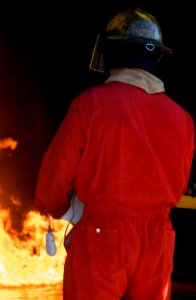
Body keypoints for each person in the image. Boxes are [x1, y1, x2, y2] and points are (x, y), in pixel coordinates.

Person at [34, 7, 195, 300]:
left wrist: (57, 208)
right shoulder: (182, 118)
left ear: (110, 53)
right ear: (156, 56)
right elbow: (181, 182)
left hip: (102, 236)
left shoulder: (92, 104)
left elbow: (56, 173)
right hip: (159, 240)